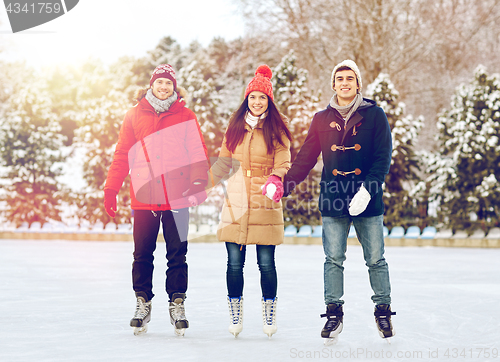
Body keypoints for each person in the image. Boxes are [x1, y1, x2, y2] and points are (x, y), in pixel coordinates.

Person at [283, 59, 396, 343]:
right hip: (333, 199)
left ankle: (383, 310)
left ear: (358, 84)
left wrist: (368, 189)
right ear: (333, 84)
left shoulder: (375, 115)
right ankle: (334, 313)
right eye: (340, 79)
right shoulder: (321, 118)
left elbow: (383, 157)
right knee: (333, 259)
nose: (345, 83)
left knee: (375, 259)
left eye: (350, 79)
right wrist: (284, 186)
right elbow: (306, 158)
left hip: (367, 200)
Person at [103, 64, 209, 336]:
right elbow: (122, 154)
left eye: (169, 84)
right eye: (159, 83)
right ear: (151, 85)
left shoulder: (186, 116)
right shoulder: (133, 115)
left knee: (177, 254)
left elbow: (197, 152)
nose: (164, 88)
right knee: (142, 253)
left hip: (177, 196)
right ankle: (142, 301)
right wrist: (111, 189)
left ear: (175, 88)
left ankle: (177, 302)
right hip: (144, 196)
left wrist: (198, 184)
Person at [209, 65, 292, 338]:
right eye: (253, 97)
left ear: (269, 101)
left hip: (265, 198)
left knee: (266, 262)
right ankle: (236, 312)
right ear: (247, 99)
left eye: (262, 98)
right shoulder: (234, 127)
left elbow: (283, 160)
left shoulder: (277, 128)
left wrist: (276, 178)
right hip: (236, 198)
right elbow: (223, 163)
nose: (257, 102)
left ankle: (269, 312)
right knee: (234, 262)